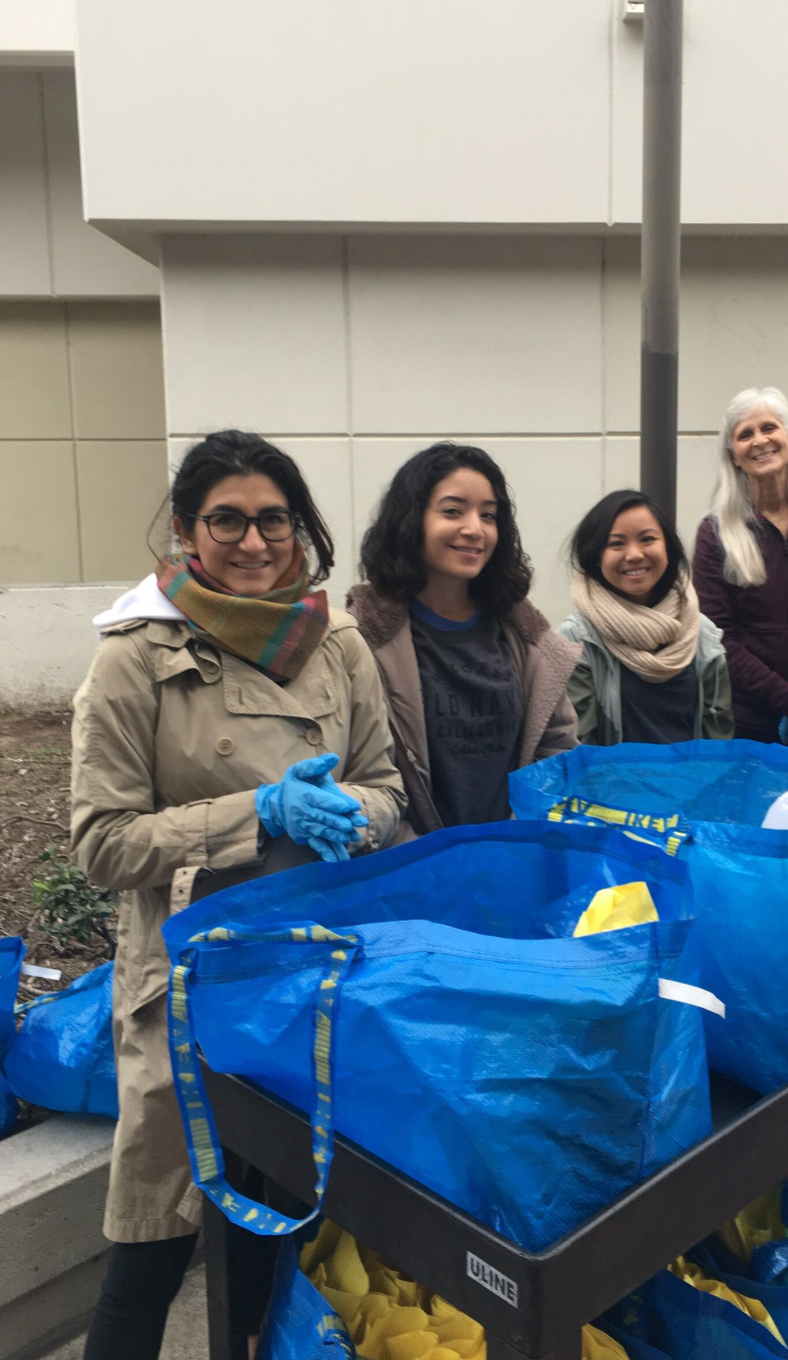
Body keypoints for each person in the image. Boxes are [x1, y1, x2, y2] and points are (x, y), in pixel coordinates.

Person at [71, 431, 405, 1360]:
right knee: (152, 1244)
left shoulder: (335, 643)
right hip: (186, 990)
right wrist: (254, 812)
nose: (253, 542)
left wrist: (356, 818)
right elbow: (101, 846)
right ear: (186, 531)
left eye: (273, 520)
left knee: (289, 1224)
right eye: (227, 520)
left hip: (313, 978)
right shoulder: (133, 658)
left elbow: (384, 782)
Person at [347, 442, 579, 837]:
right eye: (453, 511)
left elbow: (556, 750)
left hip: (513, 862)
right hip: (409, 874)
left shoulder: (526, 635)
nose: (475, 529)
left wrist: (515, 839)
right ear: (411, 520)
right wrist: (426, 863)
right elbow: (360, 772)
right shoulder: (362, 638)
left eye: (488, 515)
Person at [692, 387, 788, 750]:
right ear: (733, 457)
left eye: (769, 428)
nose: (760, 440)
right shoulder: (714, 533)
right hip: (745, 723)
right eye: (745, 434)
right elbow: (719, 637)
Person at [558, 489, 733, 745]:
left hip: (692, 783)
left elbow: (718, 744)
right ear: (597, 556)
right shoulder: (575, 640)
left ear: (668, 547)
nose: (634, 554)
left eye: (647, 539)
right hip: (608, 783)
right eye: (616, 543)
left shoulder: (702, 634)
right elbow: (579, 748)